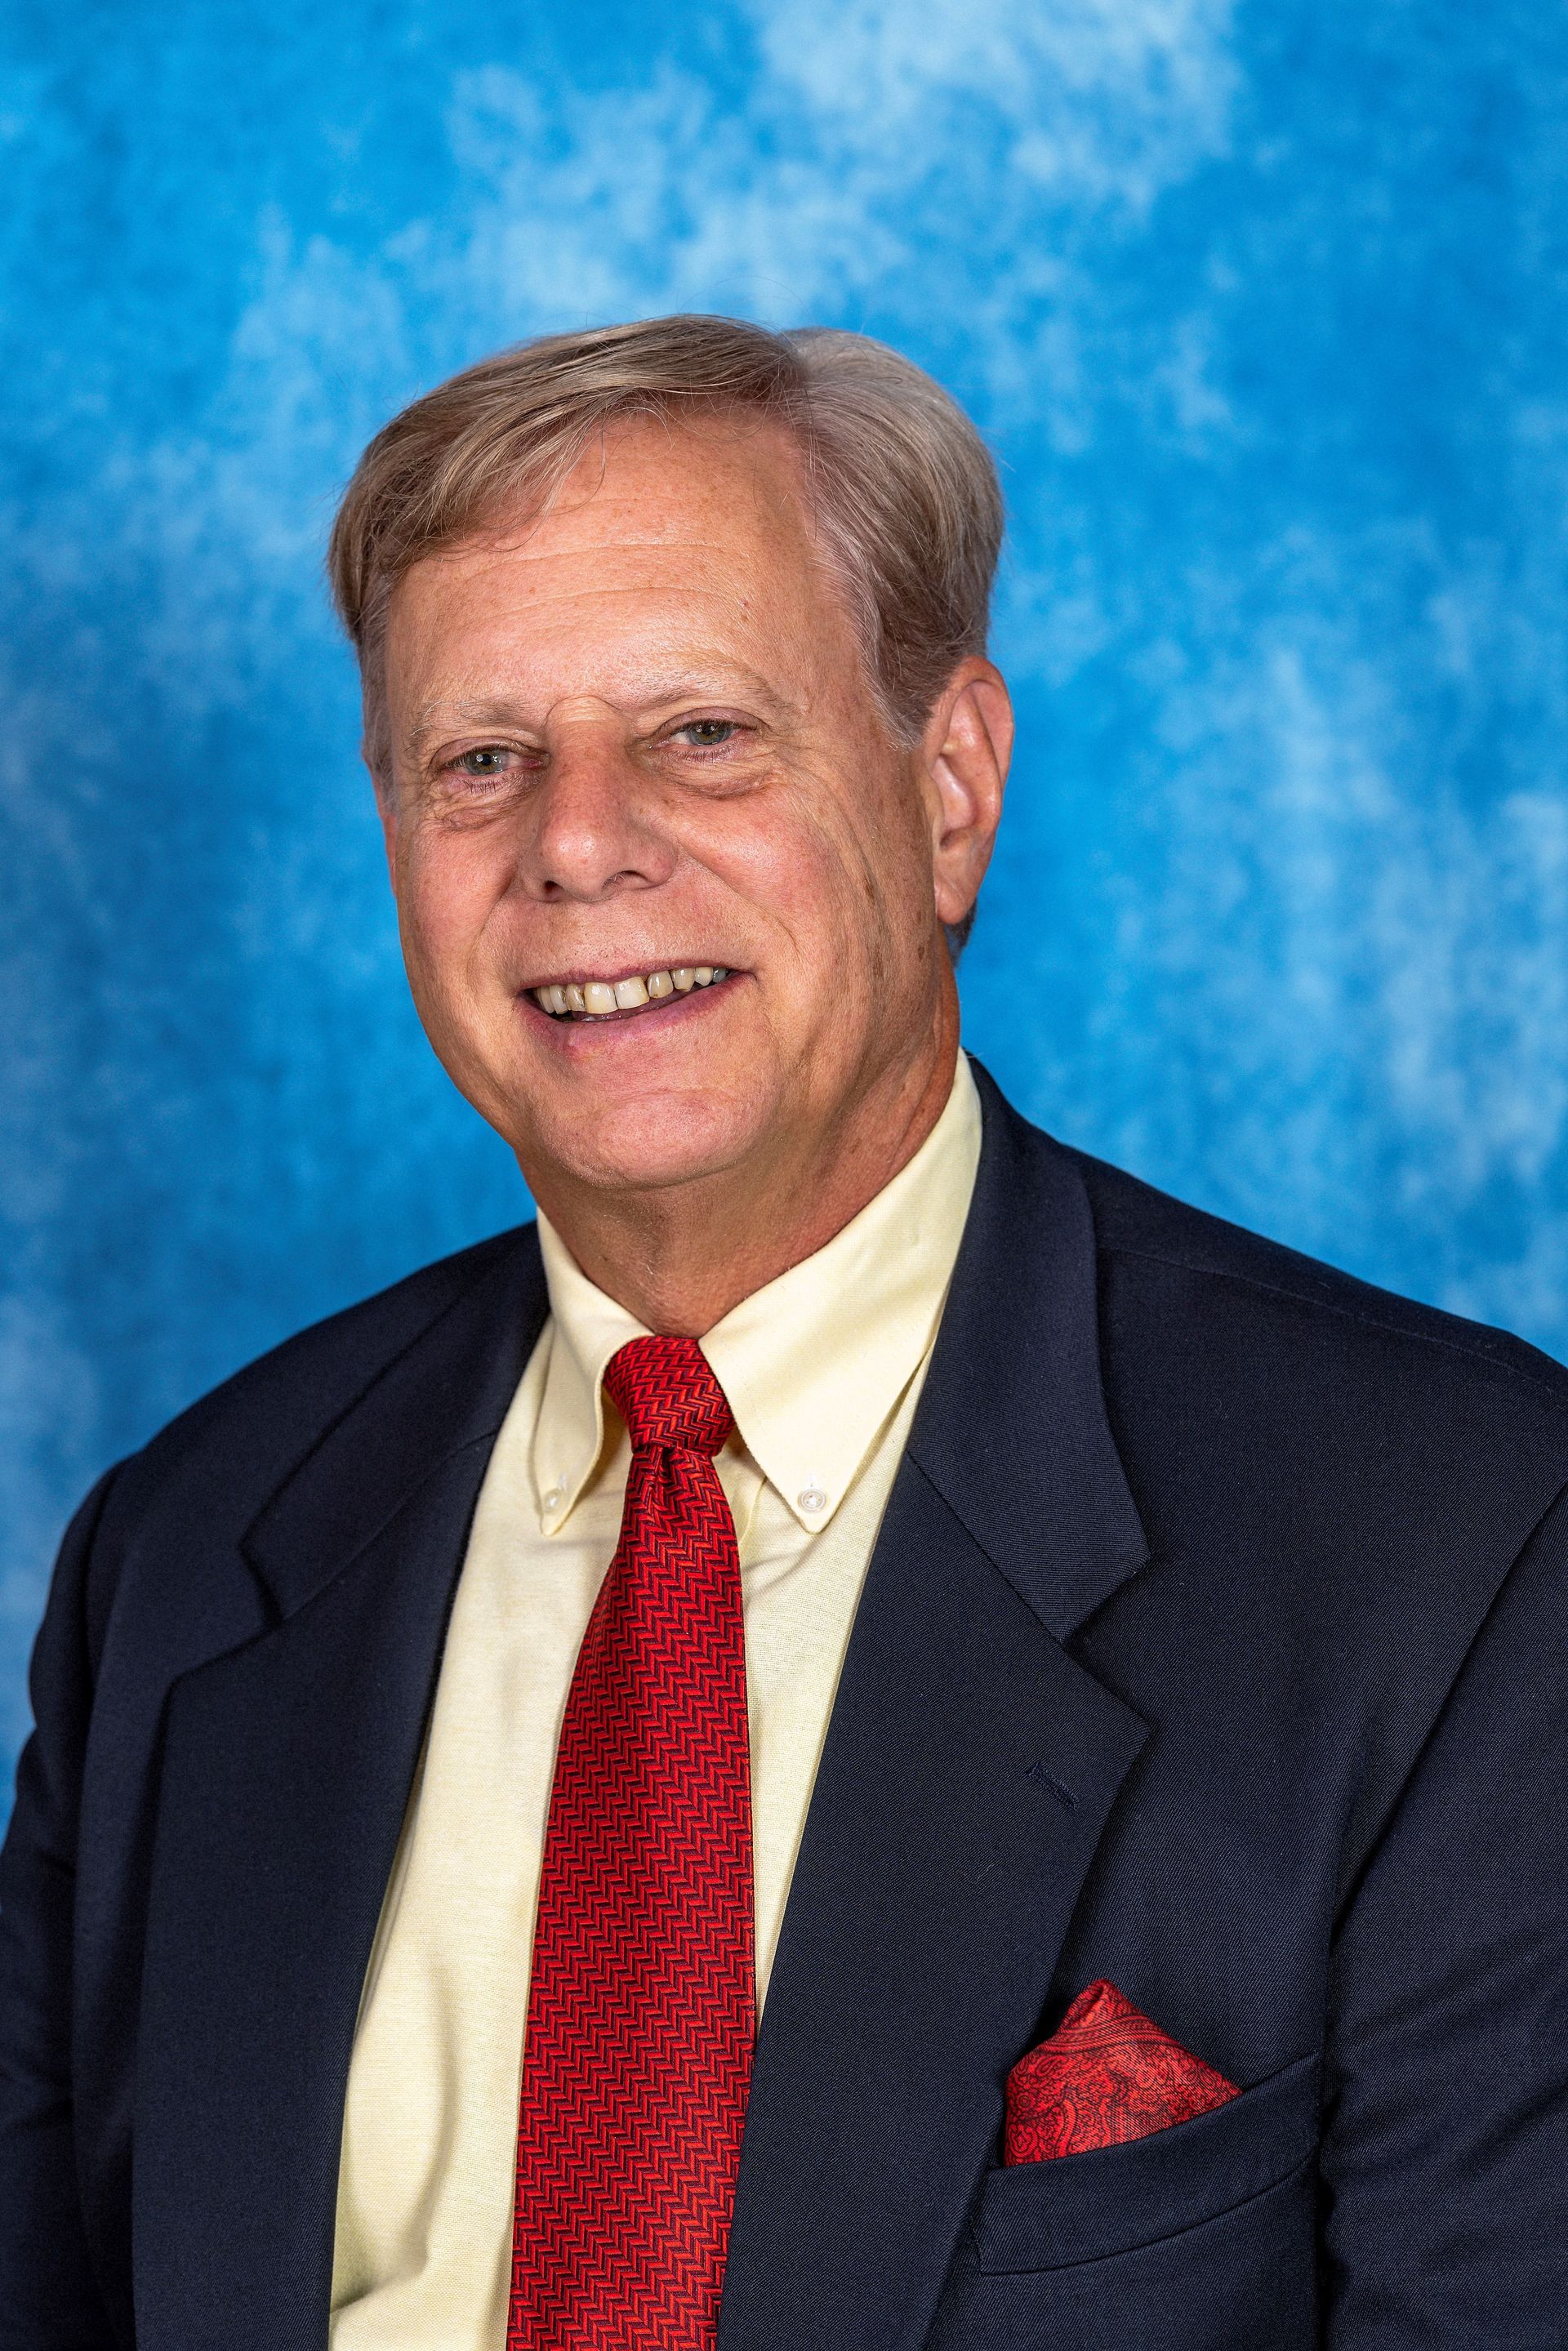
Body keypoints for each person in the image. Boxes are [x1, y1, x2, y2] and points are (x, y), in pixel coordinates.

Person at [1, 315, 1565, 2351]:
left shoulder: (1454, 1541)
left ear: (946, 789)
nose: (575, 843)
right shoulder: (185, 1560)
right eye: (482, 759)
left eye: (701, 733)